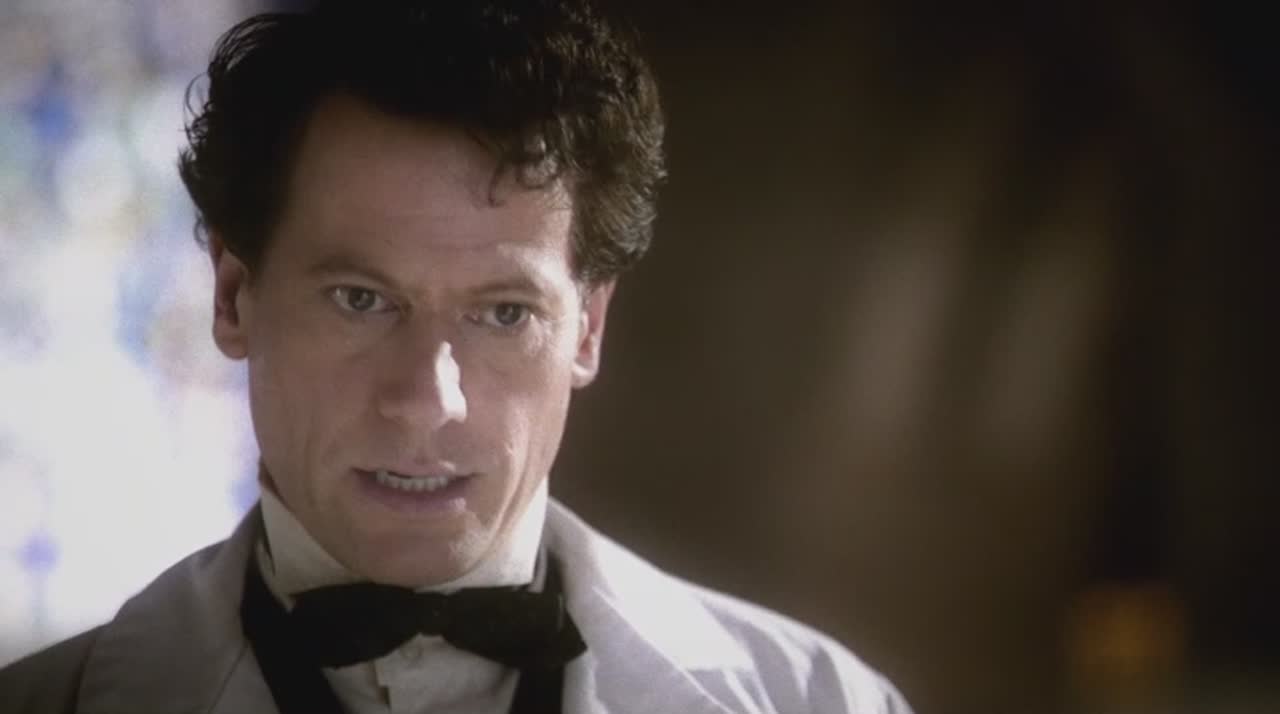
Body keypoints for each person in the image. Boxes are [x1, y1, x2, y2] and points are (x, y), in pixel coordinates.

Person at [0, 1, 912, 712]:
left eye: (504, 314)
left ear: (587, 329)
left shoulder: (823, 702)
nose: (430, 401)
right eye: (361, 299)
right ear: (232, 296)